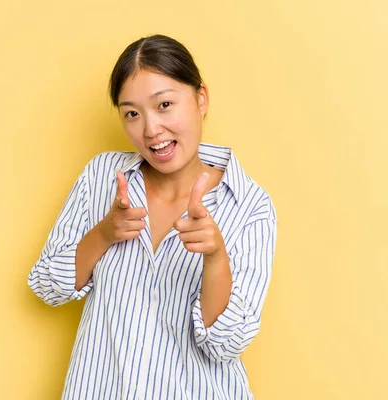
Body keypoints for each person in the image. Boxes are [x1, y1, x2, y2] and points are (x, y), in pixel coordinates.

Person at [28, 34, 277, 400]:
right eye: (132, 113)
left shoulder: (250, 206)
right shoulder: (102, 178)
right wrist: (103, 234)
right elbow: (47, 286)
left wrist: (216, 257)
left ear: (200, 98)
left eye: (164, 105)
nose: (150, 130)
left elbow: (226, 345)